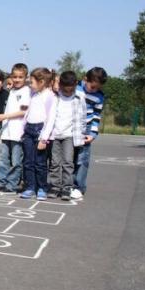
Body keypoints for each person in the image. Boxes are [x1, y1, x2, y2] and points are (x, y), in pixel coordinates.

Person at [40, 71, 87, 200]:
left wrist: (82, 133)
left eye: (70, 90)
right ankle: (55, 186)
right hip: (55, 134)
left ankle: (67, 187)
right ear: (60, 86)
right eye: (64, 90)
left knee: (68, 162)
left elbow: (83, 116)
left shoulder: (80, 97)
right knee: (55, 162)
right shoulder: (56, 96)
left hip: (70, 135)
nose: (67, 92)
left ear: (75, 85)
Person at [20, 68, 56, 200]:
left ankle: (42, 187)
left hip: (41, 131)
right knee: (28, 161)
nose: (30, 84)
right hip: (29, 130)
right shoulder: (33, 94)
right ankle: (30, 187)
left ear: (41, 82)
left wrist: (44, 139)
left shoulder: (51, 97)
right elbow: (27, 113)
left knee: (40, 163)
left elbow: (51, 119)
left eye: (32, 82)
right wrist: (23, 130)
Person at [71, 67, 107, 199]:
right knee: (67, 158)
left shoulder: (99, 96)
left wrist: (93, 134)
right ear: (85, 79)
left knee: (82, 159)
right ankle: (65, 184)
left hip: (85, 129)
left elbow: (97, 116)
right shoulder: (74, 87)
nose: (94, 89)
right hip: (70, 127)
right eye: (92, 86)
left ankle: (78, 186)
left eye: (97, 87)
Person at [0, 63, 30, 193]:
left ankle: (12, 184)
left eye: (20, 77)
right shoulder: (11, 91)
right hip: (6, 132)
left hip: (18, 133)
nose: (17, 79)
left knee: (16, 161)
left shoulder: (27, 92)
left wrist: (5, 116)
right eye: (15, 77)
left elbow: (23, 111)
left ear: (26, 77)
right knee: (3, 160)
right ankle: (1, 182)